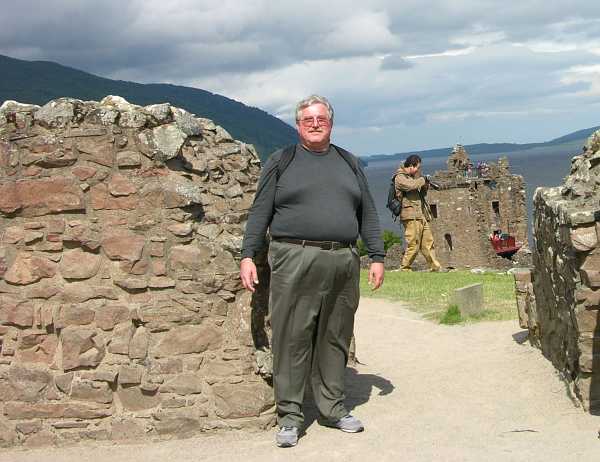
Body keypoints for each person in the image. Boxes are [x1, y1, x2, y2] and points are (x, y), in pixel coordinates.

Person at [239, 95, 385, 448]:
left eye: (321, 118)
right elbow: (260, 212)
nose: (315, 124)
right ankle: (289, 416)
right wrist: (247, 254)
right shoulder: (282, 161)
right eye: (308, 119)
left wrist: (377, 255)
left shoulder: (349, 162)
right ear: (298, 125)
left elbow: (367, 212)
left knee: (336, 335)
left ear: (331, 123)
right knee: (291, 335)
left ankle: (333, 408)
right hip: (294, 257)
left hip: (343, 259)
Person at [394, 154, 442, 272]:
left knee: (428, 242)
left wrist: (425, 185)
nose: (418, 170)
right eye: (417, 167)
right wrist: (422, 179)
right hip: (410, 215)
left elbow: (421, 194)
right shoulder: (399, 177)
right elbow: (410, 186)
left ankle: (435, 267)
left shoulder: (413, 177)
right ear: (411, 166)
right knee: (414, 243)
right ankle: (404, 268)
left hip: (420, 214)